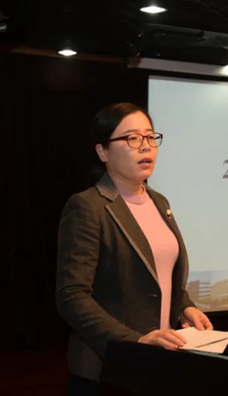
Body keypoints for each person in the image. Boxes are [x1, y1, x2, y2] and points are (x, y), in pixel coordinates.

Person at [56, 103, 212, 395]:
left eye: (150, 137)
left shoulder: (159, 202)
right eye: (132, 138)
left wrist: (185, 306)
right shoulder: (88, 207)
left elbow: (159, 273)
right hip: (107, 372)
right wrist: (135, 341)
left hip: (159, 364)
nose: (145, 146)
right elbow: (71, 296)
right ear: (103, 152)